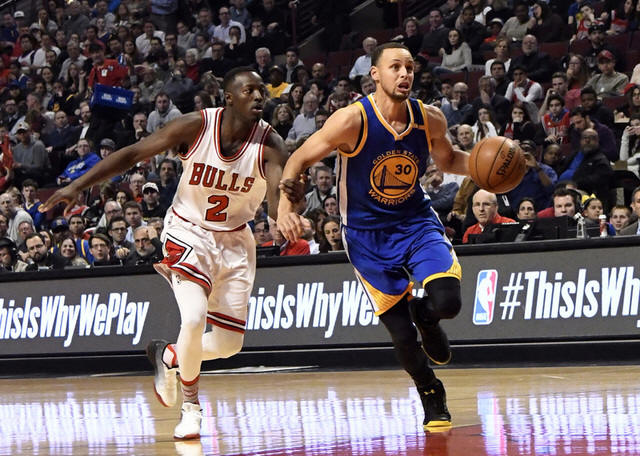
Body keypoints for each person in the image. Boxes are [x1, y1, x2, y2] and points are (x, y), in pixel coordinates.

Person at [39, 66, 293, 440]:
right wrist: (77, 185)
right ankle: (191, 408)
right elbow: (132, 153)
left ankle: (168, 356)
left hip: (235, 240)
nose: (259, 96)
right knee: (193, 318)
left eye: (262, 91)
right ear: (228, 98)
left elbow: (275, 196)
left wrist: (282, 213)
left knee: (229, 345)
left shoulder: (271, 143)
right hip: (188, 230)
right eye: (249, 90)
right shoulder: (196, 126)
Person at [277, 43, 470, 430]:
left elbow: (450, 160)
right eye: (395, 67)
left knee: (448, 302)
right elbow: (299, 158)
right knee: (401, 335)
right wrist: (284, 209)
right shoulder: (351, 120)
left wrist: (490, 165)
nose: (405, 74)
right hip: (367, 236)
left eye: (409, 67)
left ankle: (427, 316)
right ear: (376, 74)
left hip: (415, 222)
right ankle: (429, 390)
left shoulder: (429, 118)